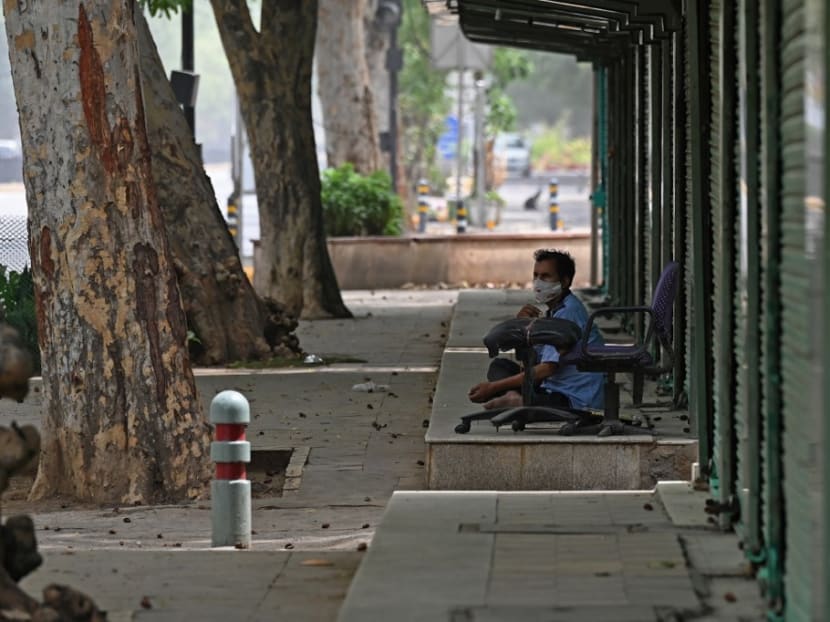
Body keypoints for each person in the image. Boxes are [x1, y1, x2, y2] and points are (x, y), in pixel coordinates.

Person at [467, 248, 604, 411]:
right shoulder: (554, 311)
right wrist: (523, 327)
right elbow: (532, 359)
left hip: (574, 398)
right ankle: (514, 397)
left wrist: (494, 387)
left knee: (502, 381)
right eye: (536, 276)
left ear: (565, 282)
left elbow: (547, 368)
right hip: (553, 386)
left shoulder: (568, 312)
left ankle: (518, 400)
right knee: (500, 366)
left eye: (546, 276)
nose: (538, 282)